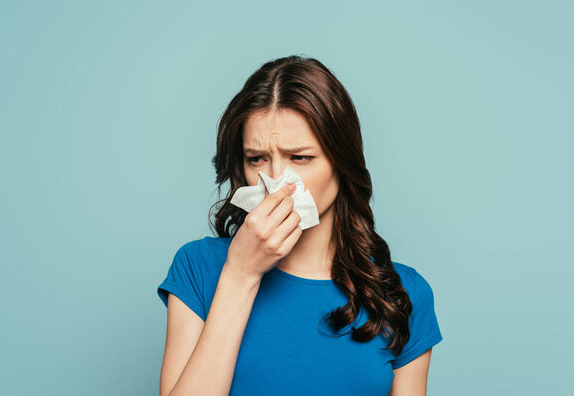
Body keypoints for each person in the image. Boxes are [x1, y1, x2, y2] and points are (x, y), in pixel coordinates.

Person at [157, 55, 443, 396]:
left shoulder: (403, 293)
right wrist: (241, 274)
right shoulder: (199, 268)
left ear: (342, 163)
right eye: (257, 159)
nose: (276, 181)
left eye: (300, 158)